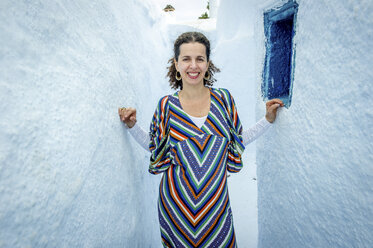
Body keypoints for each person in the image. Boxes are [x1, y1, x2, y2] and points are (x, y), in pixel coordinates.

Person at [118, 32, 283, 247]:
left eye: (200, 59)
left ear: (207, 63)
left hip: (217, 208)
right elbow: (154, 147)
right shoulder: (166, 106)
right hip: (176, 209)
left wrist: (267, 120)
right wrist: (131, 126)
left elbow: (237, 141)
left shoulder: (224, 99)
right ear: (176, 64)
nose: (193, 65)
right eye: (186, 59)